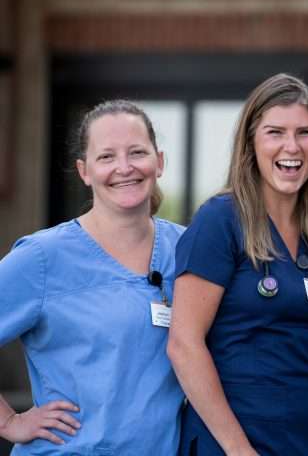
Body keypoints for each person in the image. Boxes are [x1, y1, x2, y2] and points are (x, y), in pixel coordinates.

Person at [167, 74, 308, 455]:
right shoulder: (220, 221)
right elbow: (184, 345)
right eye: (275, 132)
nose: (292, 146)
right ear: (251, 142)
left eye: (305, 132)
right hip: (231, 440)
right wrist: (239, 450)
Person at [0, 100, 184, 454]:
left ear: (159, 162)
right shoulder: (42, 258)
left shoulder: (188, 249)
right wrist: (10, 422)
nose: (125, 167)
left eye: (137, 152)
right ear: (84, 171)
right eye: (107, 157)